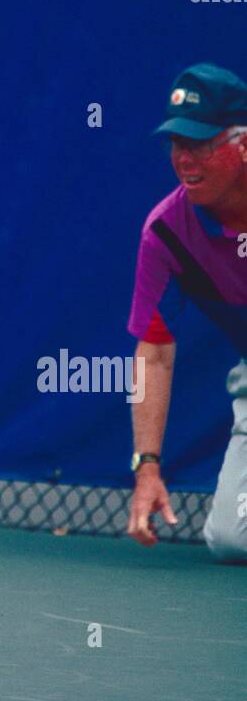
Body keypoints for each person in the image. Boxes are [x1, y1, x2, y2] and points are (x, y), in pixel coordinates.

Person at [127, 62, 247, 562]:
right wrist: (147, 468)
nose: (184, 159)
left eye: (200, 144)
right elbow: (153, 352)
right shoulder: (167, 233)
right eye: (177, 144)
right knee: (230, 539)